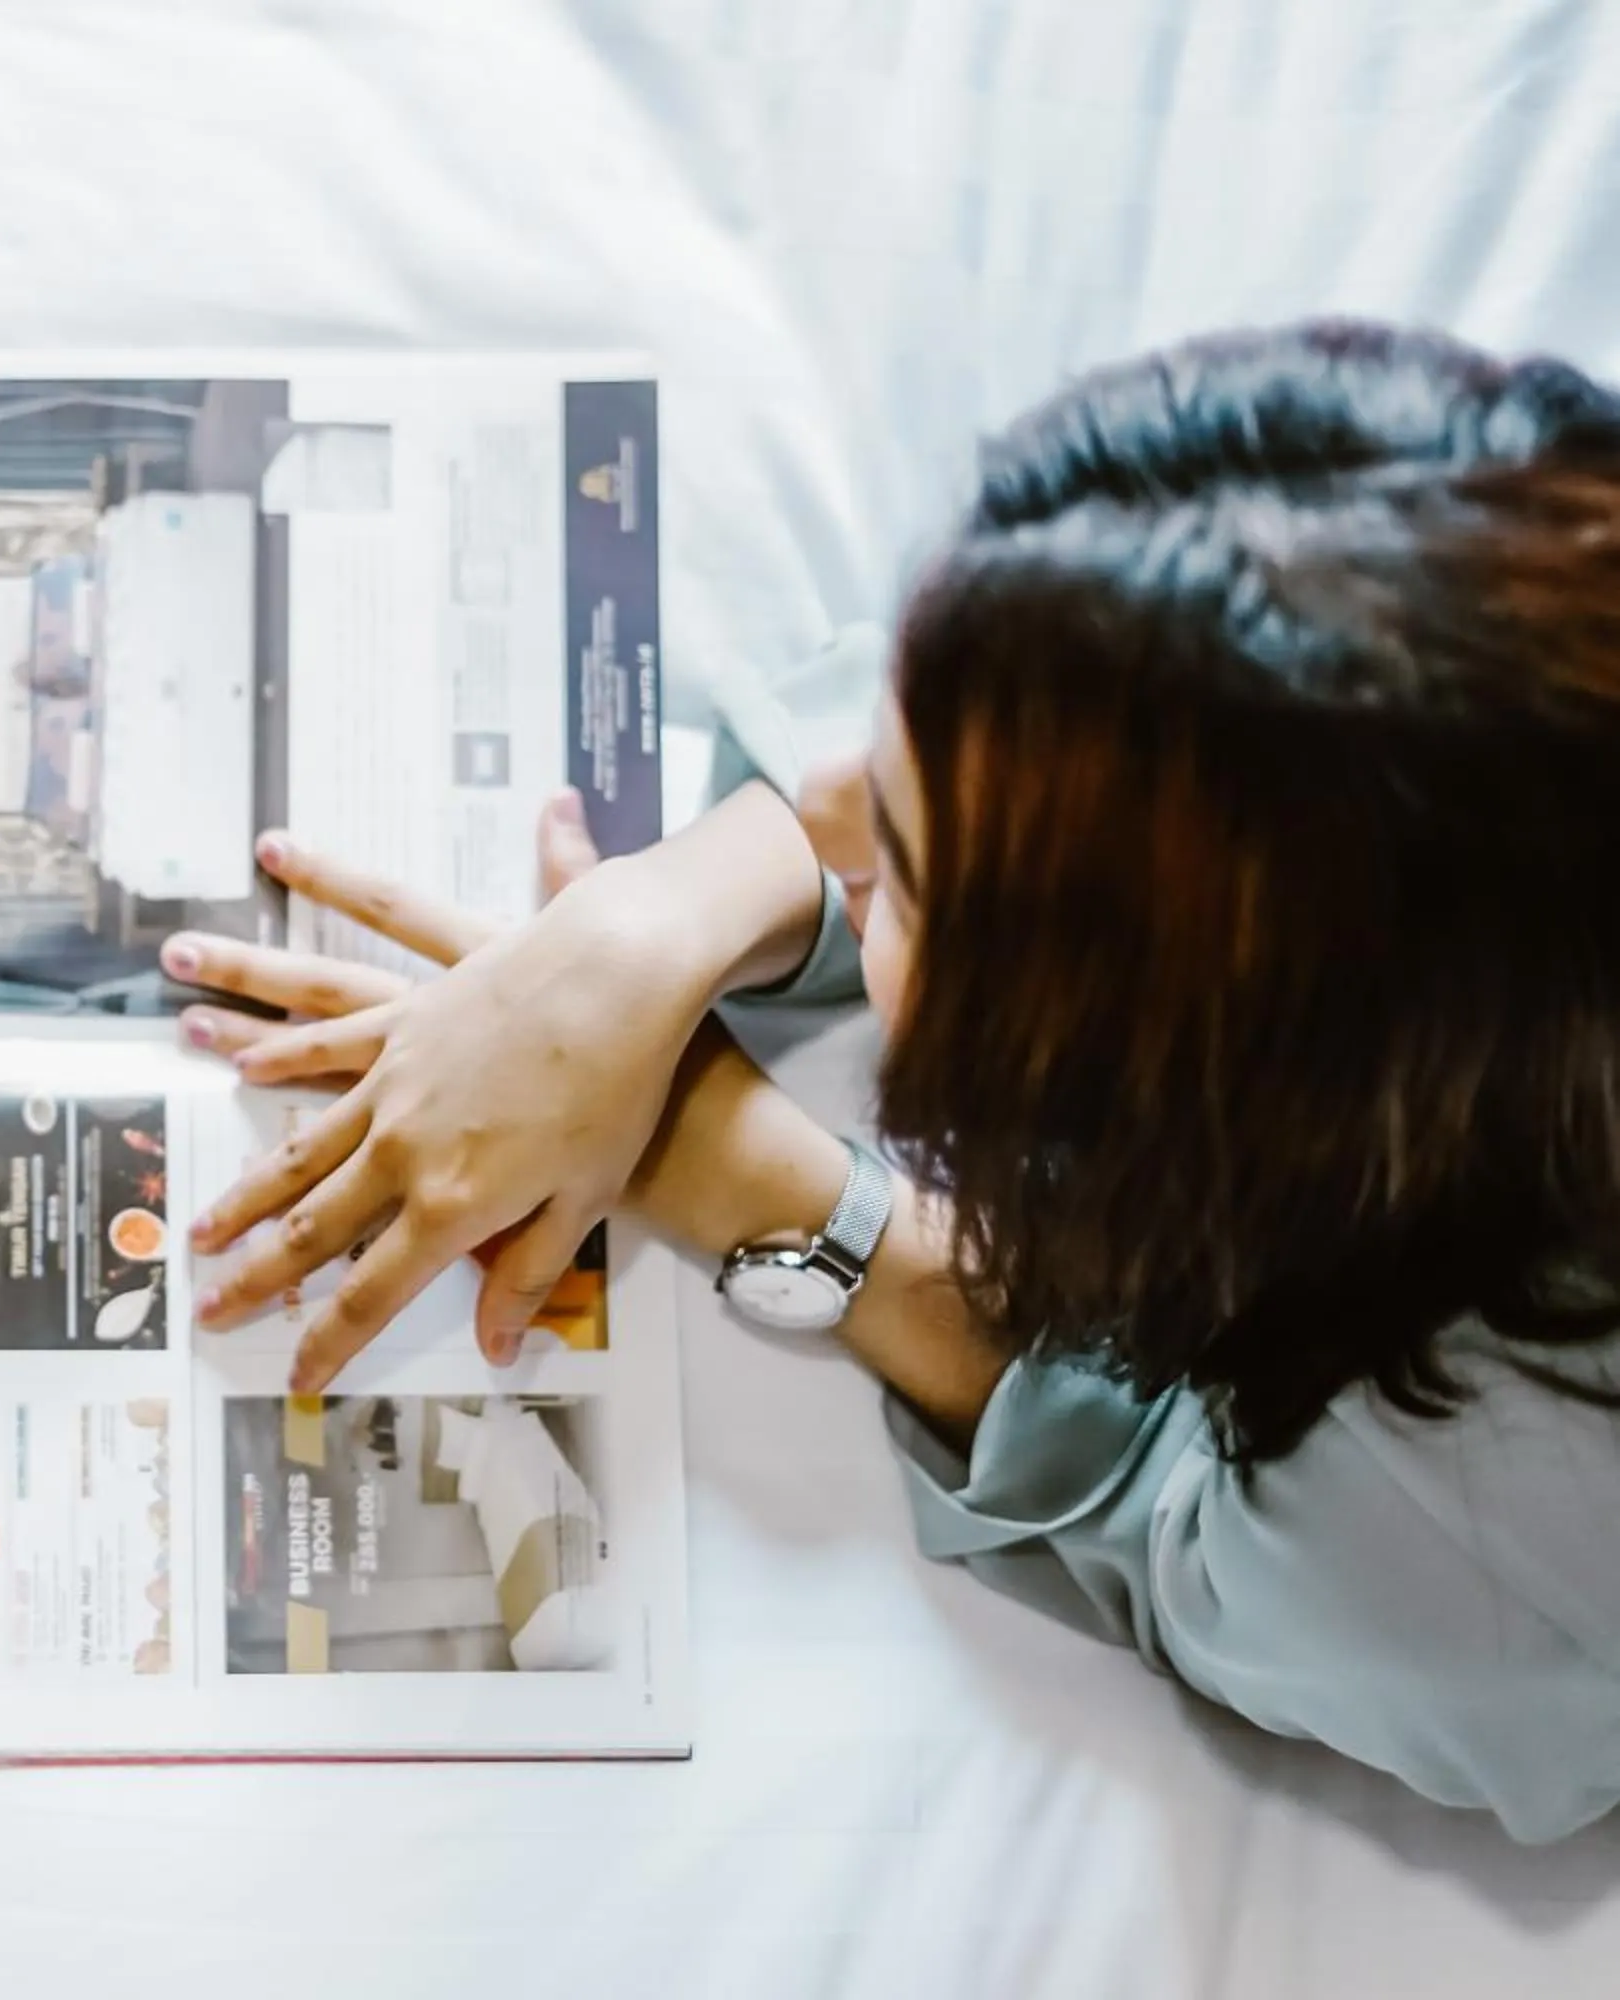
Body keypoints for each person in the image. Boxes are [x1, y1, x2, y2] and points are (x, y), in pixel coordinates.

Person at [162, 321, 1620, 1841]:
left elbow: (1216, 1537)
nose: (817, 799)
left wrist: (737, 1168)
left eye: (912, 872)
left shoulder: (1496, 1583)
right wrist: (649, 928)